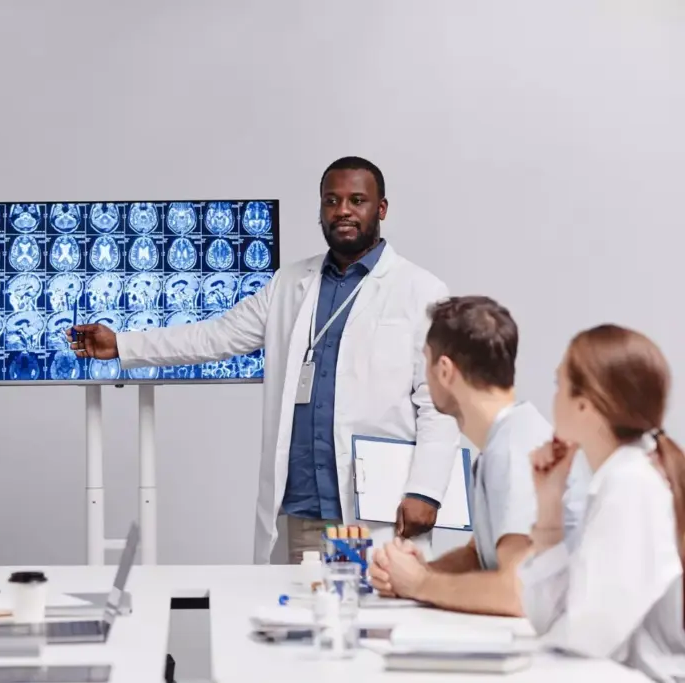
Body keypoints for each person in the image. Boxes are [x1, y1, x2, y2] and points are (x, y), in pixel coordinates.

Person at [69, 156, 461, 563]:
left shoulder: (421, 291)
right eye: (331, 200)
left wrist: (426, 490)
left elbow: (440, 405)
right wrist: (123, 345)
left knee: (381, 622)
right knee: (302, 620)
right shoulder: (290, 283)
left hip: (379, 510)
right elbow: (217, 336)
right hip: (303, 507)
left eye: (356, 200)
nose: (342, 210)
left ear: (380, 209)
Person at [368, 296, 589, 615]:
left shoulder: (515, 450)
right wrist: (422, 571)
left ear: (444, 371)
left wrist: (418, 584)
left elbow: (518, 592)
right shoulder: (506, 438)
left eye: (426, 361)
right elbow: (480, 554)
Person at [518, 324, 685, 680]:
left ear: (583, 404)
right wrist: (550, 504)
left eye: (558, 384)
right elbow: (548, 619)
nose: (554, 397)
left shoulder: (632, 487)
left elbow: (584, 636)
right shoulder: (619, 479)